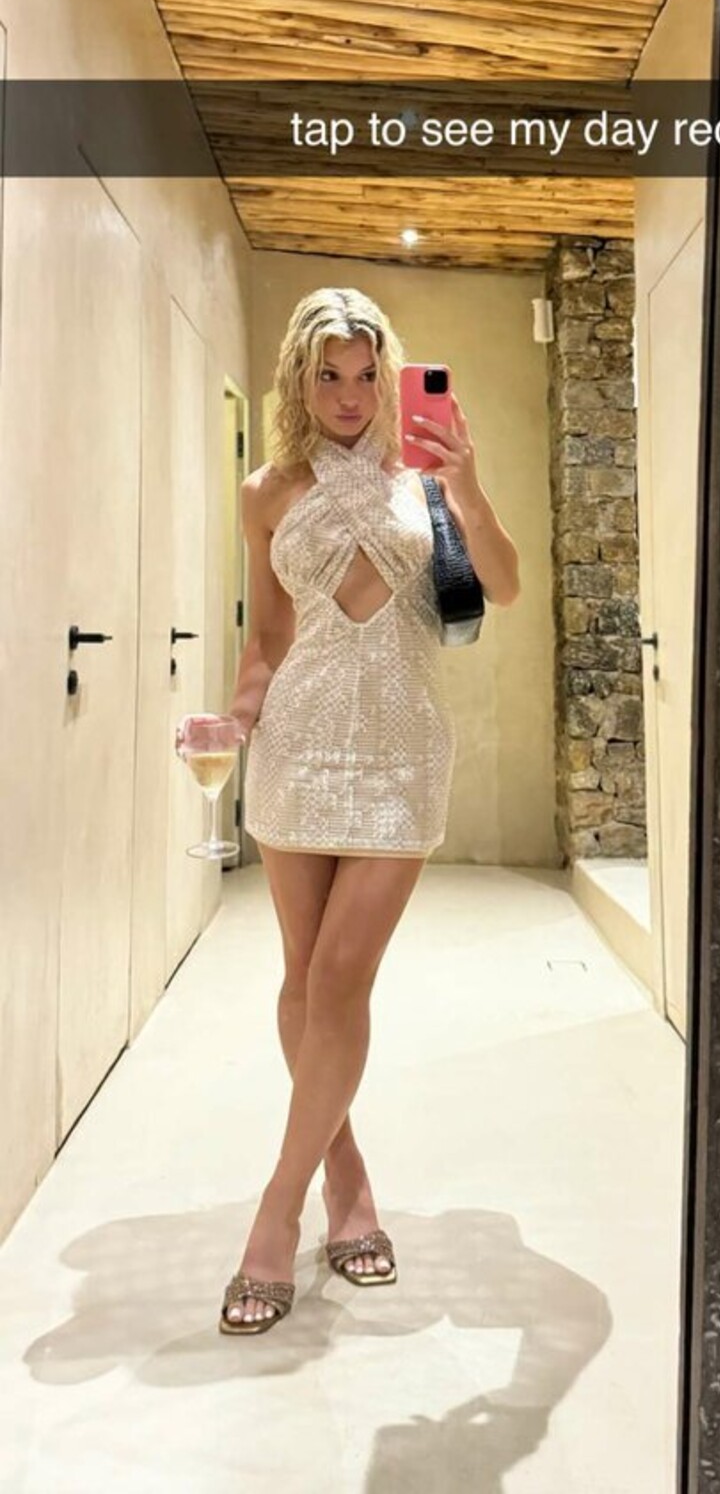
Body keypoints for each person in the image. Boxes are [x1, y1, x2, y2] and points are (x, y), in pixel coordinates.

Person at [175, 286, 520, 1335]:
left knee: (340, 978)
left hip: (403, 750)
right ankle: (348, 1178)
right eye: (329, 374)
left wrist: (467, 487)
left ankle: (276, 1211)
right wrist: (237, 720)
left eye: (368, 374)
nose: (350, 395)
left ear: (389, 375)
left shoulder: (425, 477)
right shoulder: (266, 490)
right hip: (296, 747)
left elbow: (504, 587)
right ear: (299, 376)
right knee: (302, 978)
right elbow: (269, 638)